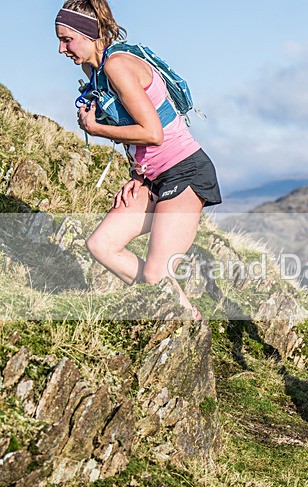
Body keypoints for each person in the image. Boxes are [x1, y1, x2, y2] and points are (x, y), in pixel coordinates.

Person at [55, 0, 221, 318]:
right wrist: (138, 175)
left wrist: (94, 129)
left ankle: (187, 320)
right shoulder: (94, 72)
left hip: (185, 170)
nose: (61, 49)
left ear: (89, 34)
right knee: (102, 245)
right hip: (153, 177)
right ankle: (165, 304)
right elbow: (129, 126)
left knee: (156, 275)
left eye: (67, 40)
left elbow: (152, 133)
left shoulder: (117, 66)